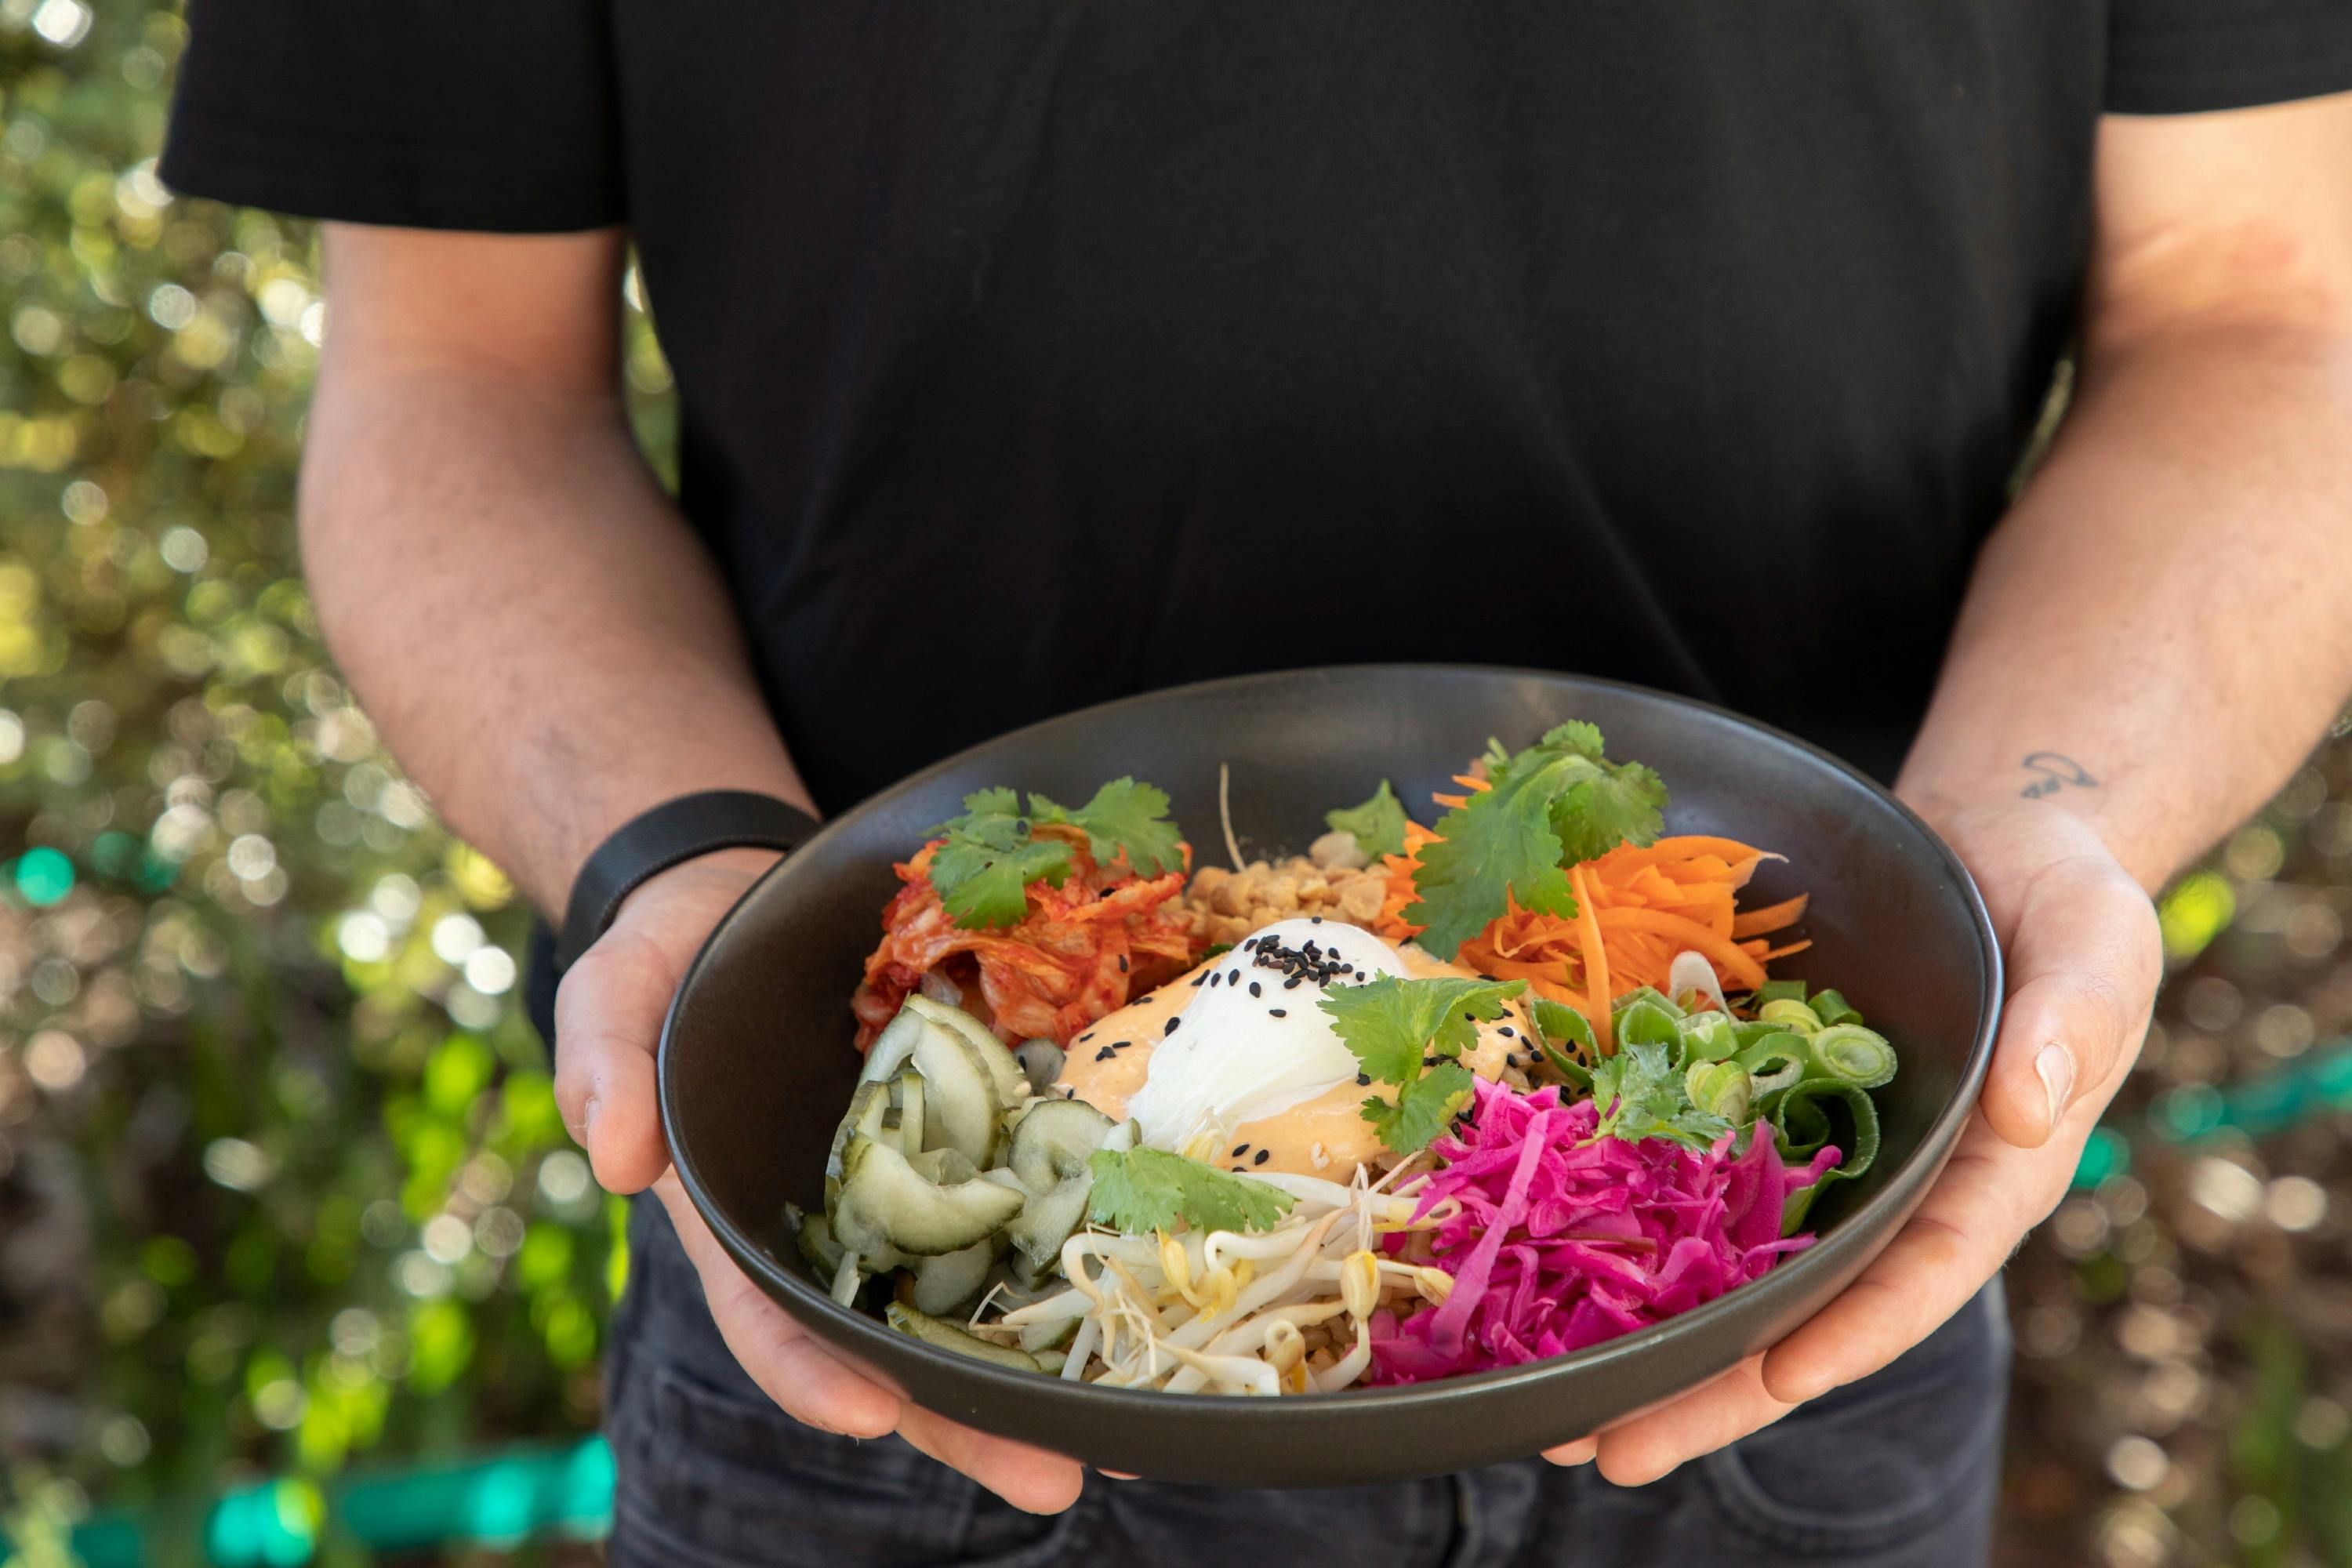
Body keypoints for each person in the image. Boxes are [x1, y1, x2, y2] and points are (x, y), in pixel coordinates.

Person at [159, 3, 2352, 1563]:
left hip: (1795, 1278)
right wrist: (679, 867)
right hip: (893, 1345)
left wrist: (2042, 821)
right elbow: (456, 378)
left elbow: (2259, 308)